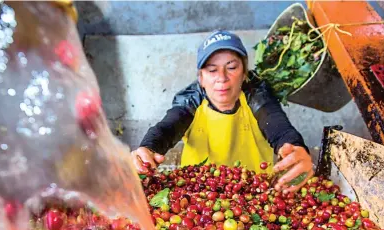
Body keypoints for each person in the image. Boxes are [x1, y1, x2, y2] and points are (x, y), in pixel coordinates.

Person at [131, 30, 313, 193]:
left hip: (255, 192)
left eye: (232, 68)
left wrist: (294, 147)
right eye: (212, 70)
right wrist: (147, 148)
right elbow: (167, 128)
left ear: (244, 73)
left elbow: (278, 125)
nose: (222, 78)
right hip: (195, 194)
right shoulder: (190, 101)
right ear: (200, 78)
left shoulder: (257, 96)